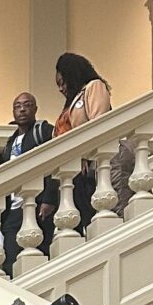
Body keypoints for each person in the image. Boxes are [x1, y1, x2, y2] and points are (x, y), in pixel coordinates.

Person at [43, 54, 130, 236]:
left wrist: (81, 154)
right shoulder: (71, 103)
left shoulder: (94, 87)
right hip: (76, 174)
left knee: (110, 212)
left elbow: (98, 125)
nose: (60, 88)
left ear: (72, 74)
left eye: (62, 82)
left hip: (100, 165)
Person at [0, 92, 55, 274]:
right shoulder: (10, 142)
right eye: (17, 106)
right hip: (12, 210)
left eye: (27, 105)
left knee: (38, 254)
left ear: (35, 109)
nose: (22, 109)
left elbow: (53, 164)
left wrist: (49, 199)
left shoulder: (42, 131)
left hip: (36, 207)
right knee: (10, 261)